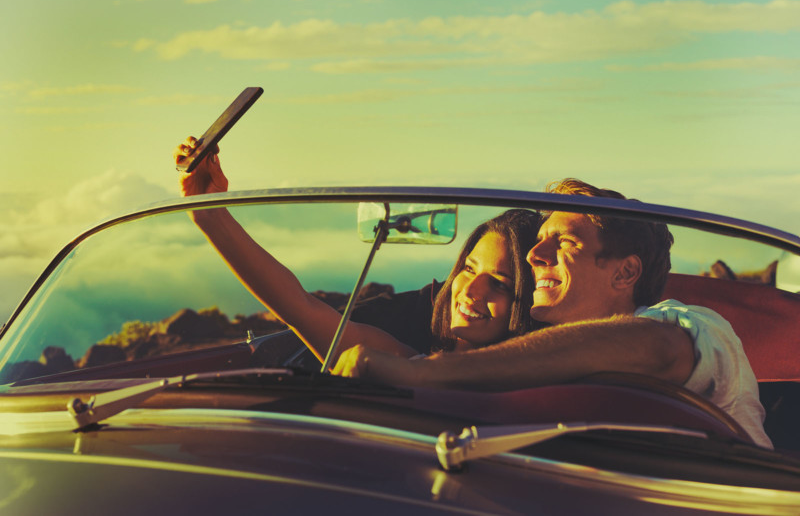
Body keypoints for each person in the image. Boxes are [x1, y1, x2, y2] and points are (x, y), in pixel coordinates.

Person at [332, 178, 772, 449]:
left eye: (562, 243)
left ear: (626, 272)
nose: (534, 255)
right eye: (539, 240)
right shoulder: (531, 357)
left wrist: (426, 372)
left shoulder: (694, 325)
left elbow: (657, 349)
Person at [173, 136, 542, 363]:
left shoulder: (532, 390)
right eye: (468, 269)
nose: (472, 291)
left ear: (525, 302)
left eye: (500, 283)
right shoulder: (405, 362)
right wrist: (209, 215)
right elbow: (299, 308)